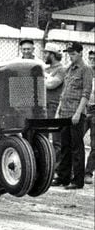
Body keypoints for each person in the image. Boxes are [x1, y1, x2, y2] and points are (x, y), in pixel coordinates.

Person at [52, 42, 93, 189]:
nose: (71, 56)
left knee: (77, 147)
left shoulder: (86, 69)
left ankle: (77, 180)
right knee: (65, 146)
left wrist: (78, 113)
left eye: (73, 53)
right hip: (65, 112)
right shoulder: (69, 69)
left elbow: (86, 93)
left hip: (76, 113)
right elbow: (64, 93)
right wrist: (58, 110)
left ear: (81, 53)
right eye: (69, 53)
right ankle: (63, 177)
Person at [43, 42, 66, 165]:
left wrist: (43, 77)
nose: (44, 55)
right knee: (43, 137)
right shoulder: (46, 69)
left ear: (52, 55)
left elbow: (52, 84)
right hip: (43, 106)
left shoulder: (62, 69)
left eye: (46, 53)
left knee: (57, 140)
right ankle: (45, 166)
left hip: (54, 106)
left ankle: (57, 167)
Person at [84, 50, 95, 184]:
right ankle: (73, 171)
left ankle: (88, 173)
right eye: (91, 58)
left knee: (94, 145)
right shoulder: (85, 72)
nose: (93, 61)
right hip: (84, 109)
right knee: (75, 140)